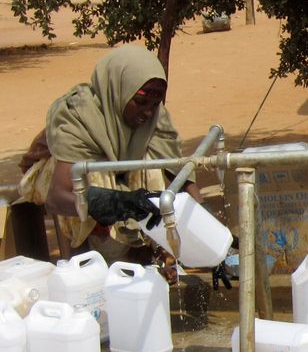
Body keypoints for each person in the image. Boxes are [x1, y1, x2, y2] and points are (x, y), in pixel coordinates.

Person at [18, 45, 202, 271]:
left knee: (152, 168)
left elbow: (178, 173)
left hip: (119, 183)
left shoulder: (155, 116)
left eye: (154, 104)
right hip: (60, 182)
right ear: (119, 90)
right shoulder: (78, 113)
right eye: (141, 102)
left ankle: (143, 252)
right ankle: (87, 261)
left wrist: (209, 228)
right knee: (94, 172)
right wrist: (120, 204)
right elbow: (57, 198)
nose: (147, 112)